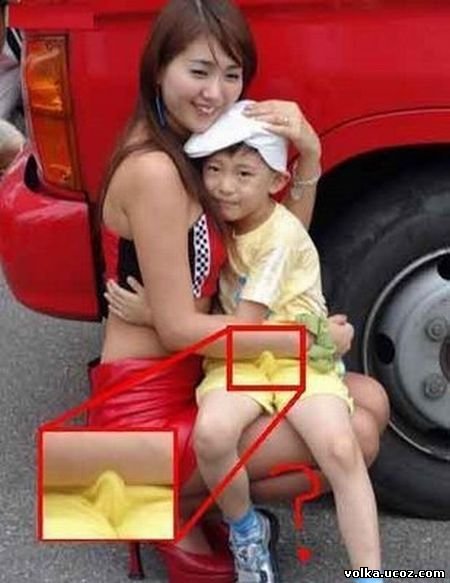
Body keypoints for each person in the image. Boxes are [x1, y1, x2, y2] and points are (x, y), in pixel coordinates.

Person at [92, 0, 389, 581]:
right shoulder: (156, 171)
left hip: (199, 371)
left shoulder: (195, 148)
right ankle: (155, 503)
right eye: (198, 71)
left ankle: (194, 502)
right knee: (354, 432)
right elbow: (178, 329)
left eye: (231, 74)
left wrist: (310, 154)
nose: (216, 93)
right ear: (158, 68)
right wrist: (307, 340)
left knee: (371, 401)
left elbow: (278, 241)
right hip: (145, 409)